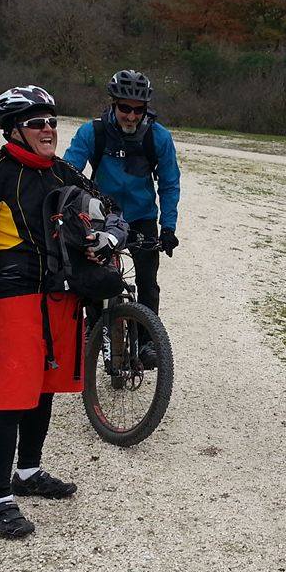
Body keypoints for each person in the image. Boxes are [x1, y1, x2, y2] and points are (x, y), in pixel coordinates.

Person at [0, 85, 128, 540]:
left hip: (62, 296)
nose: (48, 129)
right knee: (13, 397)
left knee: (45, 389)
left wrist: (109, 237)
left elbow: (114, 212)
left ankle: (28, 472)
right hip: (18, 297)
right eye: (37, 123)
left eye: (52, 121)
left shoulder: (63, 171)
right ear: (14, 130)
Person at [64, 69, 180, 370]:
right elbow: (67, 174)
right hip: (102, 217)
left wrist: (168, 227)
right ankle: (95, 328)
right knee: (93, 278)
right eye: (125, 108)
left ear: (146, 109)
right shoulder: (93, 132)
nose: (131, 116)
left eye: (138, 110)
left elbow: (169, 184)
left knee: (147, 282)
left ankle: (147, 342)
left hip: (142, 217)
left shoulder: (158, 137)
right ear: (113, 104)